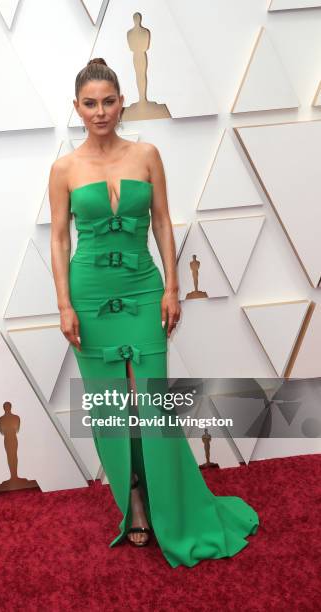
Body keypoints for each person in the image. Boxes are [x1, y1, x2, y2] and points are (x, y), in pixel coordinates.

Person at [49, 58, 259, 568]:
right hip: (92, 294)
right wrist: (64, 304)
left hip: (143, 290)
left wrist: (172, 287)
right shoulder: (64, 169)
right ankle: (136, 503)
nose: (101, 111)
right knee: (109, 406)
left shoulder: (147, 154)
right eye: (90, 103)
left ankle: (175, 509)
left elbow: (162, 220)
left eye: (109, 101)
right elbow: (58, 239)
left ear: (121, 101)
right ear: (77, 108)